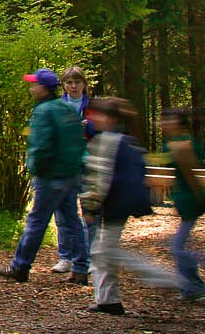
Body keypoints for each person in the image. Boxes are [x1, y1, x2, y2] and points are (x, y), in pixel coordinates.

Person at [0, 68, 90, 285]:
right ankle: (81, 269)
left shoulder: (43, 111)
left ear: (43, 88)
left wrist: (35, 169)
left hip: (50, 176)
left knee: (37, 221)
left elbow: (41, 146)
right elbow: (79, 141)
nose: (31, 88)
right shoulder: (66, 108)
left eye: (34, 84)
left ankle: (20, 266)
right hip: (71, 174)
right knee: (72, 220)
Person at [79, 97, 158, 315]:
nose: (93, 119)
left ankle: (161, 276)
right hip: (117, 204)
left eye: (98, 115)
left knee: (105, 251)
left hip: (113, 204)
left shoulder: (106, 142)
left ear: (110, 119)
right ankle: (107, 300)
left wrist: (91, 207)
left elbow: (100, 179)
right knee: (100, 251)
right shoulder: (123, 139)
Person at [47, 67, 96, 272]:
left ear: (84, 85)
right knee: (64, 213)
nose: (73, 87)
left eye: (77, 82)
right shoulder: (57, 106)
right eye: (69, 83)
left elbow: (102, 132)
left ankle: (90, 257)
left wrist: (88, 127)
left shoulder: (93, 106)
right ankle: (65, 256)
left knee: (89, 211)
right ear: (64, 86)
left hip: (88, 163)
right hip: (64, 164)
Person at [164, 106, 204, 303]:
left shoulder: (185, 144)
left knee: (178, 248)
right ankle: (192, 288)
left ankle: (195, 287)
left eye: (168, 120)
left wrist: (197, 199)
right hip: (185, 201)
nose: (164, 124)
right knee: (178, 246)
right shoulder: (171, 144)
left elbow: (193, 174)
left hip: (193, 202)